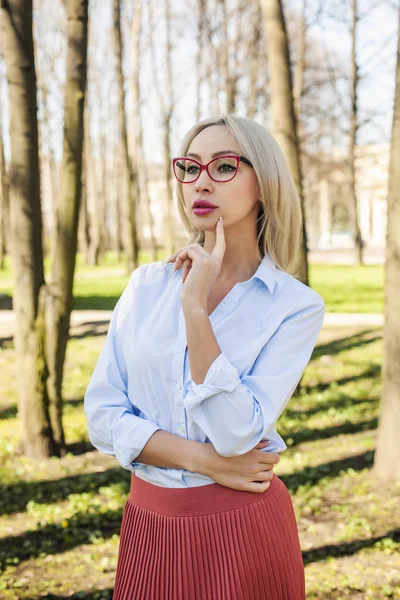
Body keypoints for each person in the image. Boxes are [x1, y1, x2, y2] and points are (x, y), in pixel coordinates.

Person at [84, 114, 325, 600]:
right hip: (151, 525)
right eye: (190, 167)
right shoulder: (146, 286)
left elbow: (237, 433)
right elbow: (101, 418)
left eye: (223, 167)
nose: (201, 181)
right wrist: (207, 462)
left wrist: (196, 310)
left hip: (245, 529)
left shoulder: (294, 305)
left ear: (264, 182)